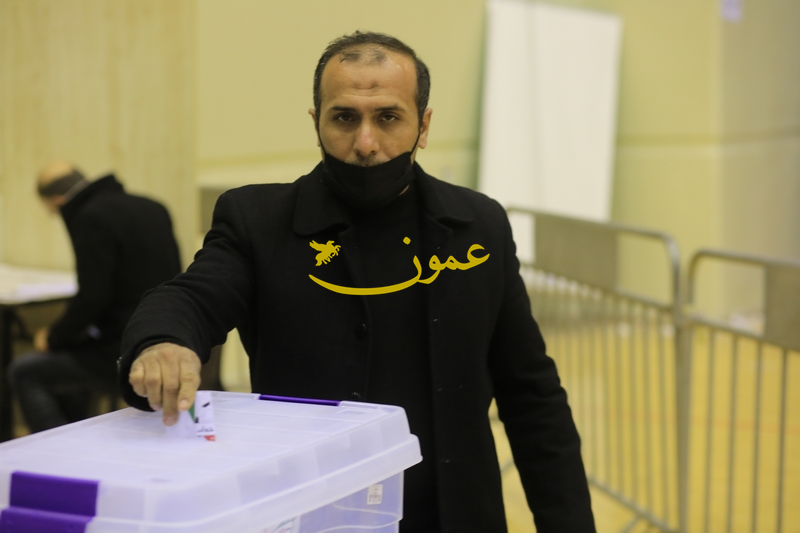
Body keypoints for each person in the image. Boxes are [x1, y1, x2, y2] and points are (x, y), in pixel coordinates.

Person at [119, 32, 595, 532]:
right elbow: (194, 295)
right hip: (316, 516)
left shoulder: (478, 226)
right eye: (344, 118)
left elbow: (531, 394)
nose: (366, 144)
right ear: (316, 123)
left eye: (388, 117)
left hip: (454, 514)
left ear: (423, 125)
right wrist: (162, 340)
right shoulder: (259, 221)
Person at [9, 162, 181, 433]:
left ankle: (57, 450)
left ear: (58, 201)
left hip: (124, 350)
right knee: (72, 355)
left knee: (25, 370)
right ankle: (78, 439)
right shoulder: (152, 206)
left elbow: (93, 298)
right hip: (167, 335)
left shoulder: (91, 217)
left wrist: (53, 337)